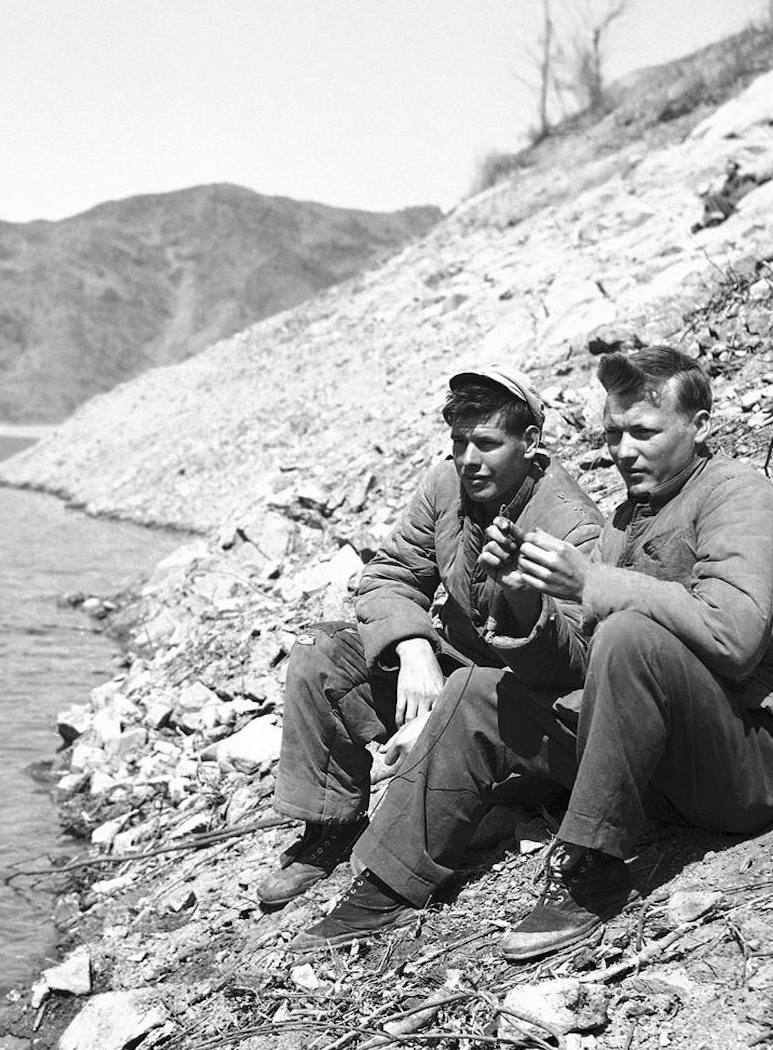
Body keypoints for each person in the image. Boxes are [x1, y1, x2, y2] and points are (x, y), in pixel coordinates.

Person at [291, 345, 773, 960]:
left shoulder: (739, 496)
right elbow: (580, 670)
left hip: (763, 759)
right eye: (614, 433)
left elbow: (734, 637)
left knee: (629, 632)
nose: (623, 451)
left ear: (699, 426)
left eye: (644, 432)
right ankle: (386, 885)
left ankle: (592, 866)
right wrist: (525, 602)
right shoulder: (624, 520)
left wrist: (589, 583)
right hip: (672, 769)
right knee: (478, 692)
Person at [256, 365, 604, 908]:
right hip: (455, 670)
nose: (469, 459)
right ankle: (330, 827)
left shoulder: (569, 525)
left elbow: (571, 665)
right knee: (320, 652)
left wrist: (443, 717)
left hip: (522, 706)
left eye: (487, 444)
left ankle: (415, 855)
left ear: (530, 442)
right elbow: (390, 573)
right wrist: (414, 646)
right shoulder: (446, 485)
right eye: (459, 442)